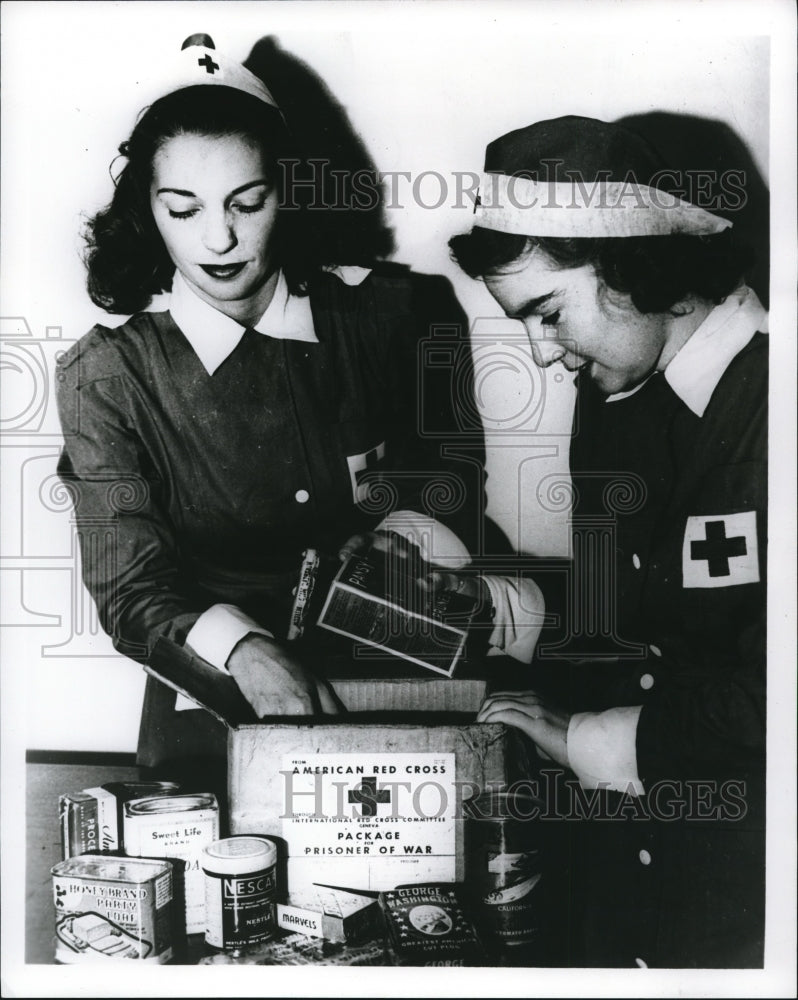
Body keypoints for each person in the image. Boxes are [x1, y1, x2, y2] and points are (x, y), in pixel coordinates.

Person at [55, 35, 537, 770]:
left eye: (248, 203)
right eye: (182, 210)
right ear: (146, 213)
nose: (219, 238)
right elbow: (131, 589)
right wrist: (245, 649)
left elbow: (450, 477)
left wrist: (409, 538)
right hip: (216, 686)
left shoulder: (399, 314)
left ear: (291, 190)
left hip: (398, 668)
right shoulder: (106, 378)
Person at [449, 116, 767, 968]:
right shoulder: (615, 402)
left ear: (633, 264)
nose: (541, 353)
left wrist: (591, 739)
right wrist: (497, 612)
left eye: (547, 312)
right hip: (634, 879)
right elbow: (632, 611)